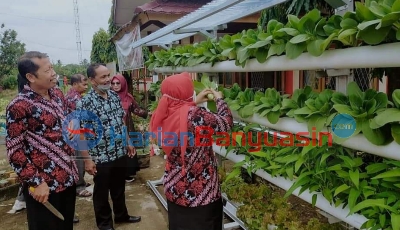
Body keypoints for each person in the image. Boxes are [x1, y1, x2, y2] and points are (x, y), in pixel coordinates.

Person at [149, 72, 233, 230]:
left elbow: (180, 114)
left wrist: (193, 102)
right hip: (202, 193)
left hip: (175, 188)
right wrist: (220, 99)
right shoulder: (197, 116)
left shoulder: (163, 112)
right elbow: (226, 124)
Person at [5, 51, 78, 230]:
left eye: (52, 67)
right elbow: (15, 151)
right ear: (30, 76)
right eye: (47, 70)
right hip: (44, 185)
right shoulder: (19, 106)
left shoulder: (58, 94)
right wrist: (36, 183)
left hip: (67, 177)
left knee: (65, 225)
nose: (53, 73)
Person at [75, 63, 141, 230]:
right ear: (92, 80)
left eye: (108, 75)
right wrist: (87, 160)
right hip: (100, 156)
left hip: (119, 151)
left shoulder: (113, 96)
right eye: (103, 77)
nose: (108, 79)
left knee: (119, 187)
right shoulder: (85, 103)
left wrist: (128, 141)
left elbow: (121, 121)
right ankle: (104, 224)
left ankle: (121, 215)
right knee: (102, 192)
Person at [111, 74, 148, 182]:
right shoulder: (108, 97)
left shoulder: (128, 97)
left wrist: (147, 114)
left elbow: (135, 109)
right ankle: (116, 175)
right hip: (113, 129)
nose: (115, 85)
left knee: (127, 150)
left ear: (123, 83)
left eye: (118, 83)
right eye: (113, 83)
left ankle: (126, 175)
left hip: (127, 127)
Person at [65, 73, 90, 224]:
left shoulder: (72, 95)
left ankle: (79, 182)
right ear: (74, 84)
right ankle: (79, 185)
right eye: (83, 83)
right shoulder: (75, 99)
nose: (86, 85)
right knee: (79, 159)